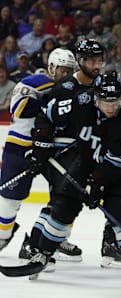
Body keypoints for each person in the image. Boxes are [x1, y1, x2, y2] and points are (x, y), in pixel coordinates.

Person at [18, 71, 121, 275]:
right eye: (104, 102)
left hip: (119, 170)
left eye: (115, 103)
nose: (110, 109)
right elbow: (46, 114)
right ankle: (43, 253)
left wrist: (97, 184)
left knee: (117, 209)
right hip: (86, 162)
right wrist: (41, 145)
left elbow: (118, 161)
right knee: (64, 204)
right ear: (94, 97)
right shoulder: (80, 102)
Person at [19, 39, 107, 264]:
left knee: (65, 200)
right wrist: (42, 147)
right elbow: (47, 117)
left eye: (99, 60)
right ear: (81, 61)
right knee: (62, 199)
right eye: (91, 60)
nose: (96, 64)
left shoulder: (100, 85)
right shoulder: (65, 87)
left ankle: (48, 241)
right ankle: (35, 246)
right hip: (63, 152)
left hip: (85, 151)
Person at [0, 49, 76, 254]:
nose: (66, 75)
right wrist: (51, 101)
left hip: (51, 149)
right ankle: (2, 237)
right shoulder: (34, 82)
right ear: (51, 68)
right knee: (10, 200)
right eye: (62, 70)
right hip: (20, 147)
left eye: (70, 71)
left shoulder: (73, 91)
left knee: (66, 194)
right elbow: (20, 109)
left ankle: (54, 239)